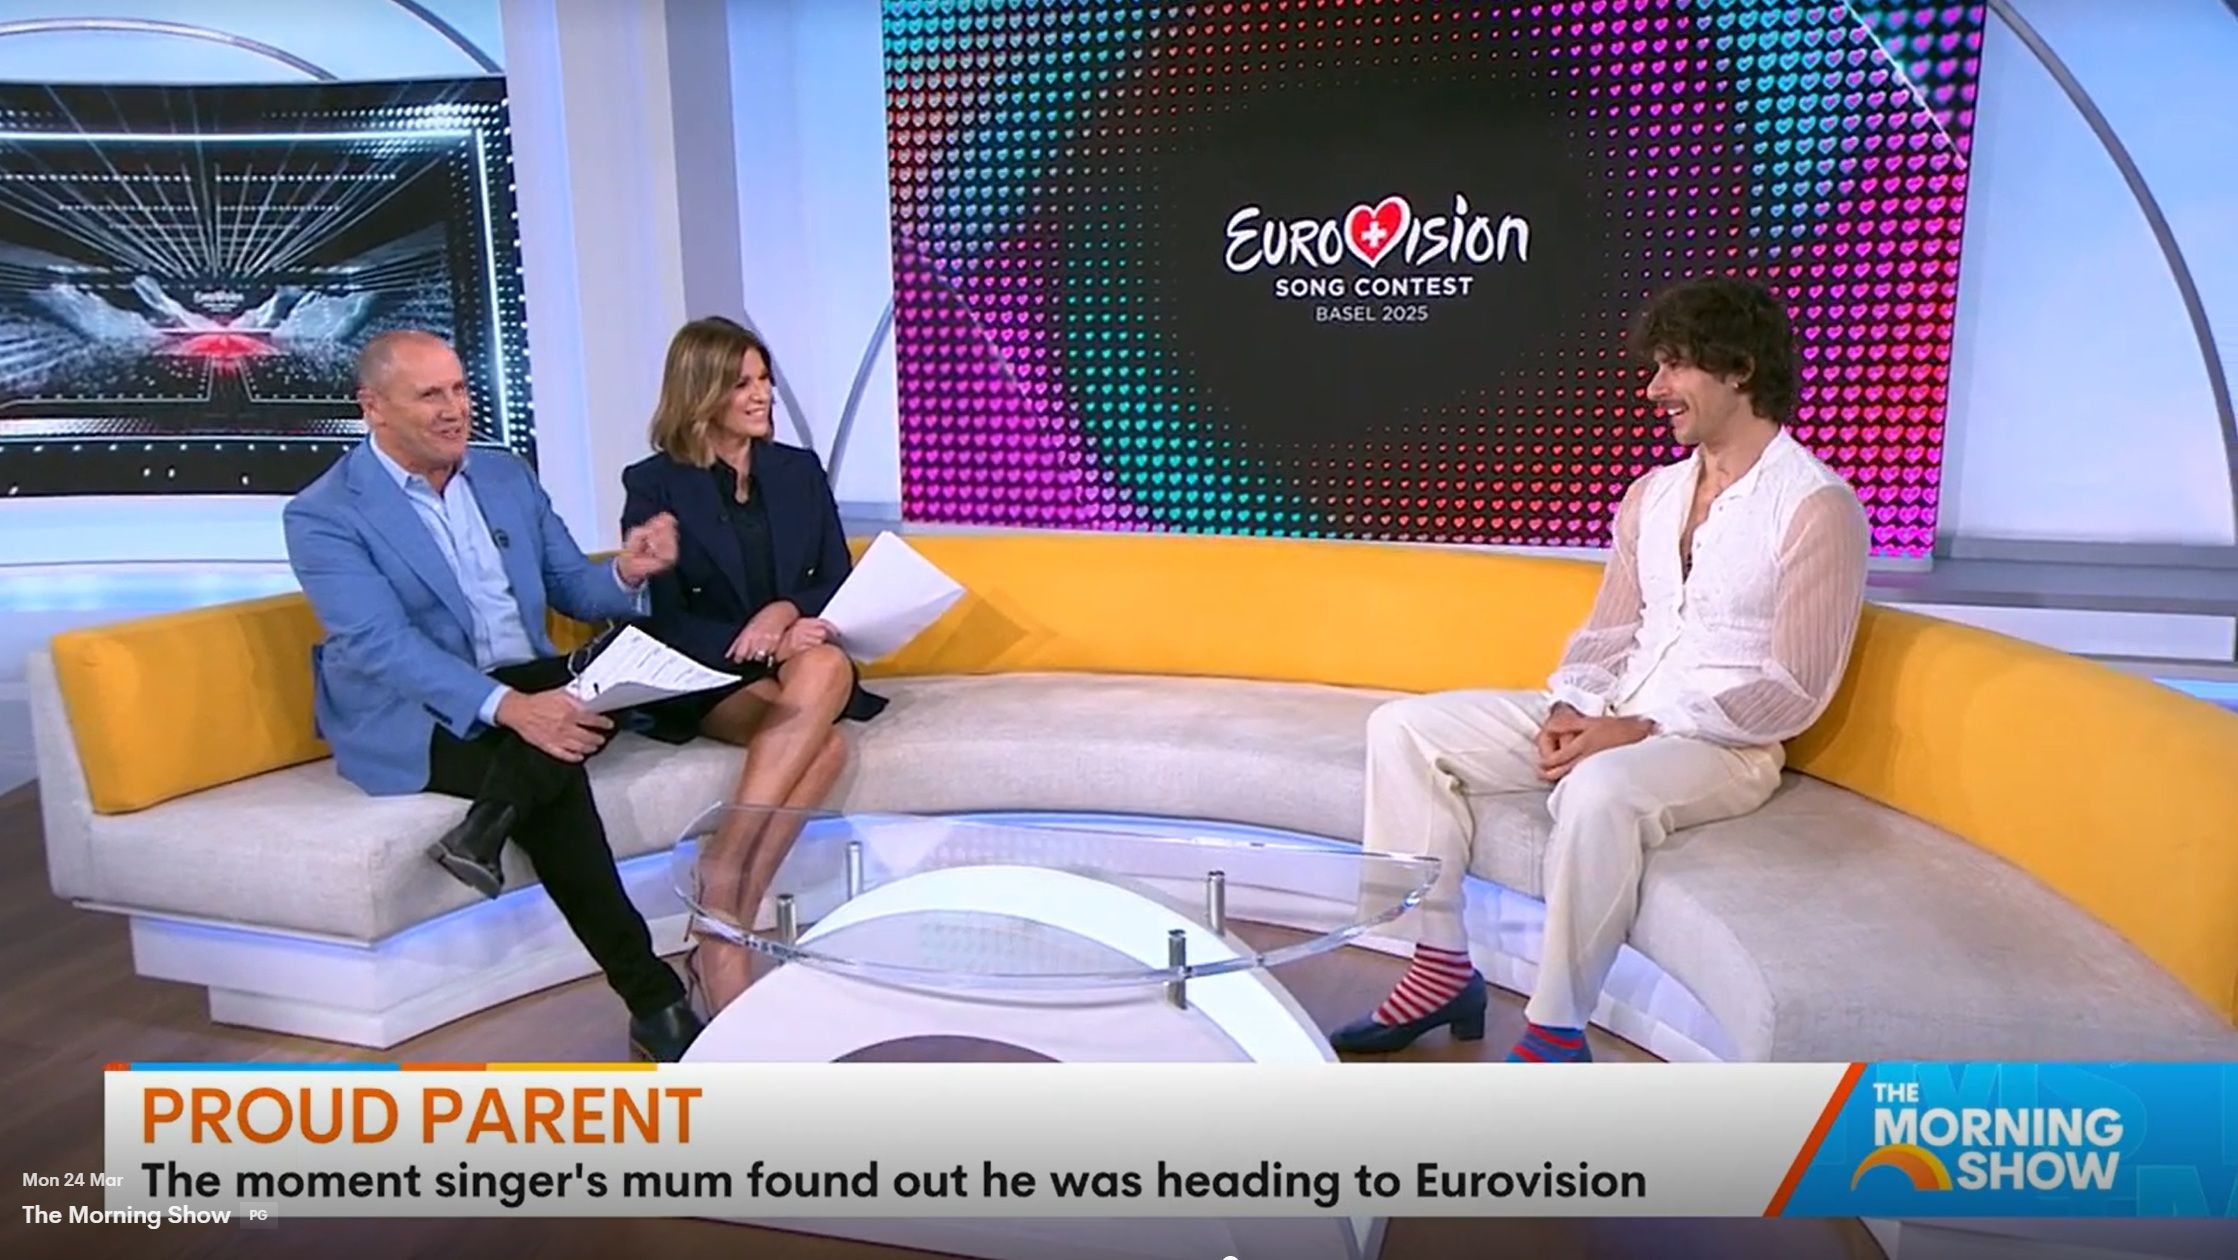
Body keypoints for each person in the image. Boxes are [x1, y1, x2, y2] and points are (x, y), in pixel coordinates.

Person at [1331, 276, 1870, 1062]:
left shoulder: (1818, 506)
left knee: (1600, 789)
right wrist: (1570, 707)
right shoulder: (1652, 494)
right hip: (1614, 710)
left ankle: (1556, 1030)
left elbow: (1795, 688)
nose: (1654, 390)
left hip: (1721, 744)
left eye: (1674, 365)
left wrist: (1641, 729)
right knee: (1404, 729)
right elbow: (1611, 629)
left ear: (1740, 369)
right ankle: (1437, 965)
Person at [284, 330, 703, 1062]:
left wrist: (629, 573)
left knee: (594, 689)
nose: (454, 410)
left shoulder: (505, 475)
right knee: (557, 758)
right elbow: (383, 646)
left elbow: (574, 588)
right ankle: (654, 1000)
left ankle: (487, 827)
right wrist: (512, 709)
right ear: (373, 407)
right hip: (409, 708)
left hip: (529, 678)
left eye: (459, 389)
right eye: (430, 395)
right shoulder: (325, 514)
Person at [620, 316, 884, 1013]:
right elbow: (665, 618)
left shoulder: (798, 471)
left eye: (763, 379)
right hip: (708, 671)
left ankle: (721, 905)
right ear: (700, 391)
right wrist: (759, 638)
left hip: (797, 661)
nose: (761, 395)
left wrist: (785, 614)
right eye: (742, 383)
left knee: (826, 667)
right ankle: (728, 913)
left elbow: (833, 579)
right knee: (824, 747)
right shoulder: (654, 485)